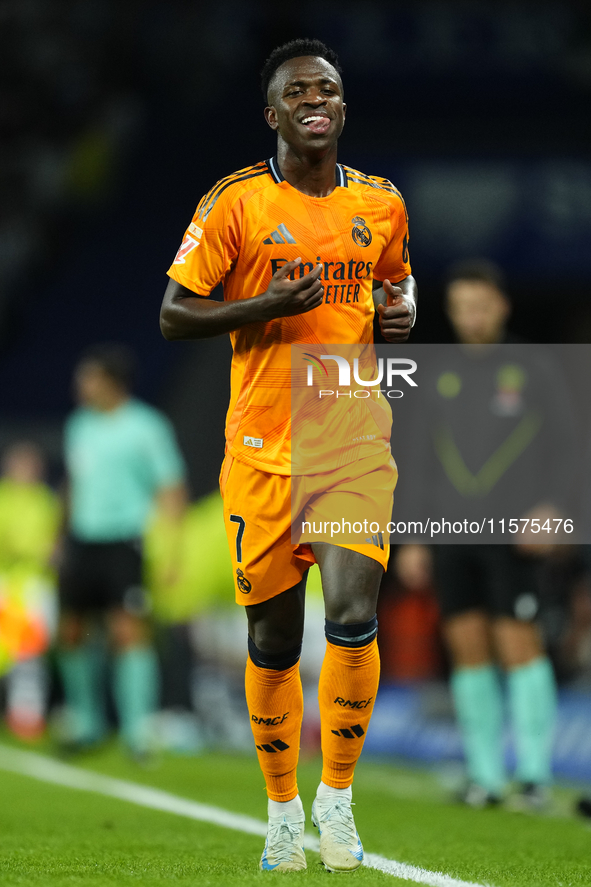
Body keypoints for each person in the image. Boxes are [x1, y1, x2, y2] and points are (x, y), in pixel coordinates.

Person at [160, 38, 416, 872]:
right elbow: (174, 313)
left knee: (349, 615)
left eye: (329, 89)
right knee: (273, 643)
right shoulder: (234, 203)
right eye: (297, 91)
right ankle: (281, 810)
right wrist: (264, 303)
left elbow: (393, 282)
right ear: (272, 113)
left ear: (342, 107)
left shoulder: (380, 203)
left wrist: (398, 310)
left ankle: (335, 802)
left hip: (349, 439)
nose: (316, 99)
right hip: (262, 450)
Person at [397, 259, 564, 810]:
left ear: (502, 306)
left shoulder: (536, 368)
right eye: (462, 306)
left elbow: (570, 448)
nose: (472, 316)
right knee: (466, 649)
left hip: (514, 531)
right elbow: (417, 459)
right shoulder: (436, 374)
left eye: (482, 305)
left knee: (519, 645)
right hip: (450, 532)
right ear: (451, 310)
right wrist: (415, 538)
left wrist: (554, 507)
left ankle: (535, 776)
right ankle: (486, 777)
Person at [57, 343, 187, 759]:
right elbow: (74, 485)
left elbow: (171, 488)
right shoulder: (79, 425)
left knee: (127, 631)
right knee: (73, 631)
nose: (81, 384)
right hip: (82, 540)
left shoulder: (146, 426)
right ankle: (86, 723)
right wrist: (60, 536)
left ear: (111, 383)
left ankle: (137, 733)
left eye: (89, 376)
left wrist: (171, 550)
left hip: (124, 540)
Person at [0, 441, 60, 739]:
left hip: (36, 586)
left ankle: (26, 714)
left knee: (30, 655)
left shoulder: (46, 501)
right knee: (6, 653)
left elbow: (54, 543)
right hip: (5, 583)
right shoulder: (3, 497)